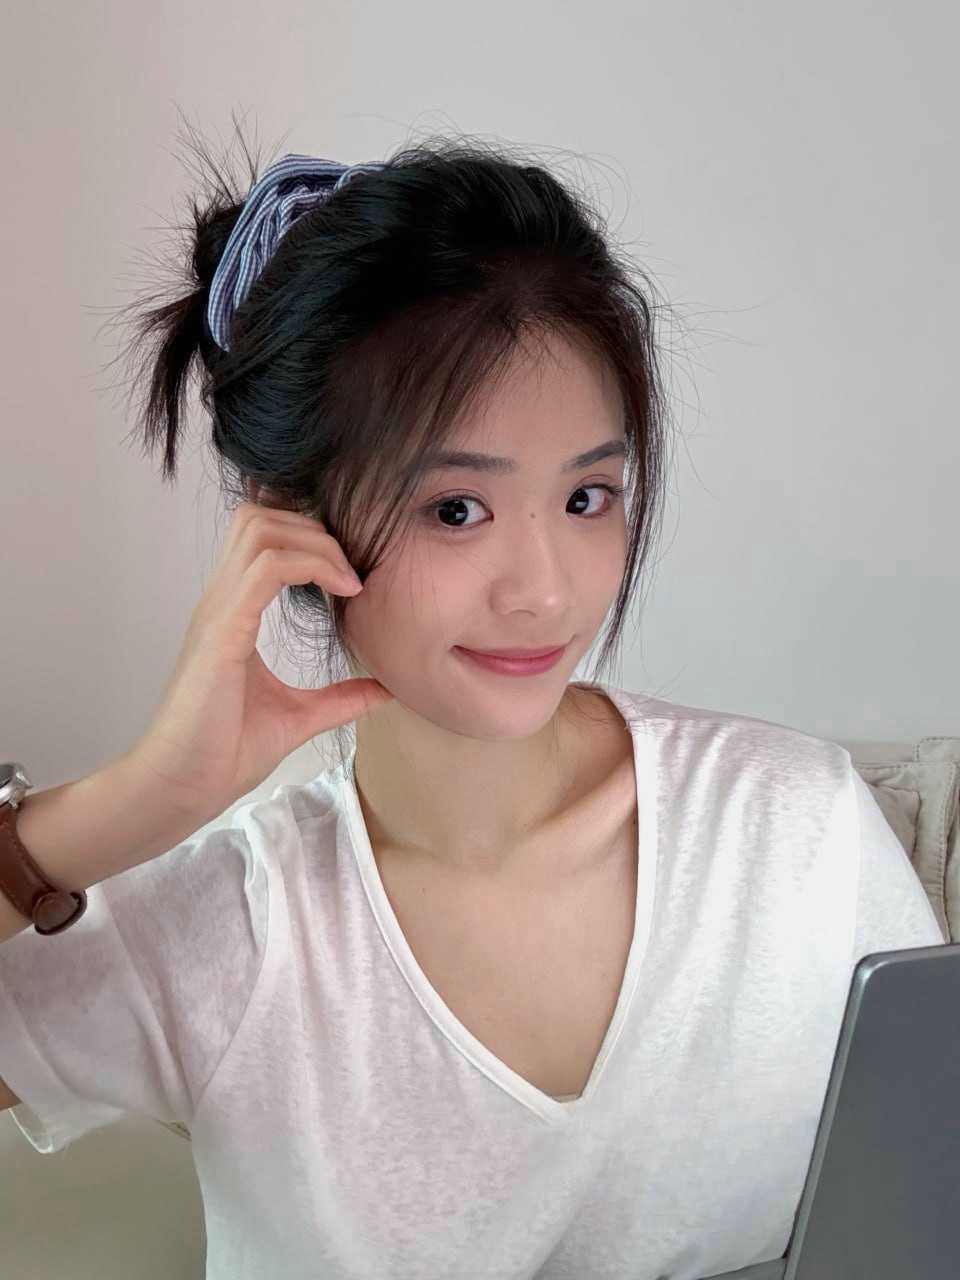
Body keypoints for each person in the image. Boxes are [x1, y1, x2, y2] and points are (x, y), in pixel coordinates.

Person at [0, 121, 945, 1280]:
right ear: (289, 519)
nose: (545, 589)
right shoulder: (228, 921)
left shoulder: (801, 832)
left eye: (589, 497)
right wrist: (145, 796)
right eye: (456, 508)